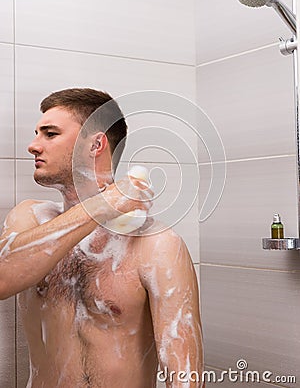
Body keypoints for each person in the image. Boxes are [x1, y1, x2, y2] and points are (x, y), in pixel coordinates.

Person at [0, 88, 204, 388]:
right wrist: (104, 206)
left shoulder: (156, 244)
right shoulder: (29, 219)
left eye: (50, 133)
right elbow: (4, 279)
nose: (33, 146)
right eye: (37, 133)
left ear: (96, 144)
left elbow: (184, 373)